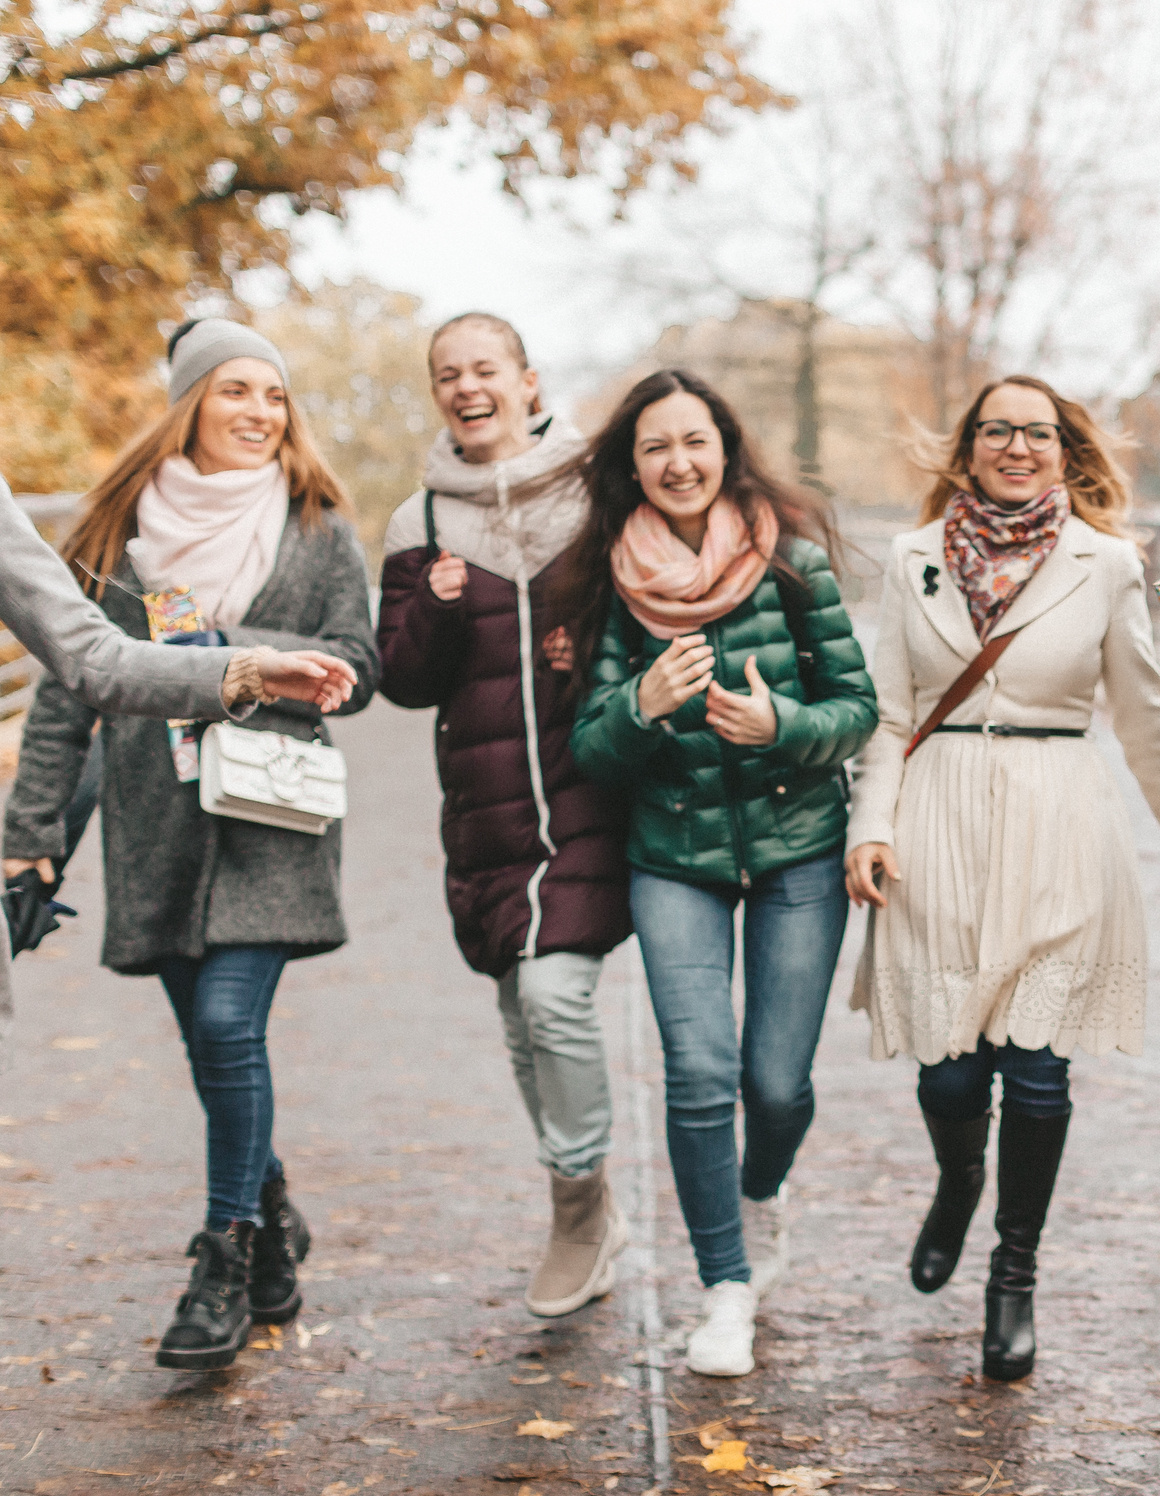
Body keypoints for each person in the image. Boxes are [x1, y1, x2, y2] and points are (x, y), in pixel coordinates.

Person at [2, 319, 378, 1372]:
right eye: (235, 391)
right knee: (214, 1051)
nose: (260, 412)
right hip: (157, 821)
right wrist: (30, 840)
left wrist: (234, 655)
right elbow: (67, 696)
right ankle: (272, 1215)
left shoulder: (316, 527)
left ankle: (222, 1259)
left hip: (272, 816)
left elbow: (359, 664)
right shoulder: (117, 532)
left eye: (274, 394)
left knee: (225, 1026)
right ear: (190, 404)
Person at [847, 375, 1160, 1382]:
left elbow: (1146, 724)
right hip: (936, 825)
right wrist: (871, 826)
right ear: (969, 448)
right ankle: (957, 1182)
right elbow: (889, 713)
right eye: (997, 430)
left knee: (1035, 1076)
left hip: (1059, 824)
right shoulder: (913, 557)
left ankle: (1013, 1270)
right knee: (949, 1074)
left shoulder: (1108, 565)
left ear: (1065, 451)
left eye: (1037, 432)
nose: (1017, 446)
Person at [563, 370, 877, 1379]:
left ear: (725, 450)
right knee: (699, 1073)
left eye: (693, 441)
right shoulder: (616, 580)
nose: (678, 462)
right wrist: (643, 704)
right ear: (634, 466)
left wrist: (781, 724)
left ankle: (761, 1189)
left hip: (798, 850)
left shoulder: (793, 563)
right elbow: (592, 748)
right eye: (655, 447)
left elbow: (858, 710)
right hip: (674, 858)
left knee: (775, 1084)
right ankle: (725, 1288)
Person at [377, 312, 632, 1319]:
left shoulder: (598, 494)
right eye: (448, 374)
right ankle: (589, 1205)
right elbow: (401, 680)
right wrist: (436, 607)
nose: (466, 387)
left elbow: (659, 611)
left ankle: (578, 1209)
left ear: (529, 381)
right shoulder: (419, 522)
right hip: (486, 814)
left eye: (485, 368)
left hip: (588, 794)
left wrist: (592, 649)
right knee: (522, 1016)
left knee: (556, 996)